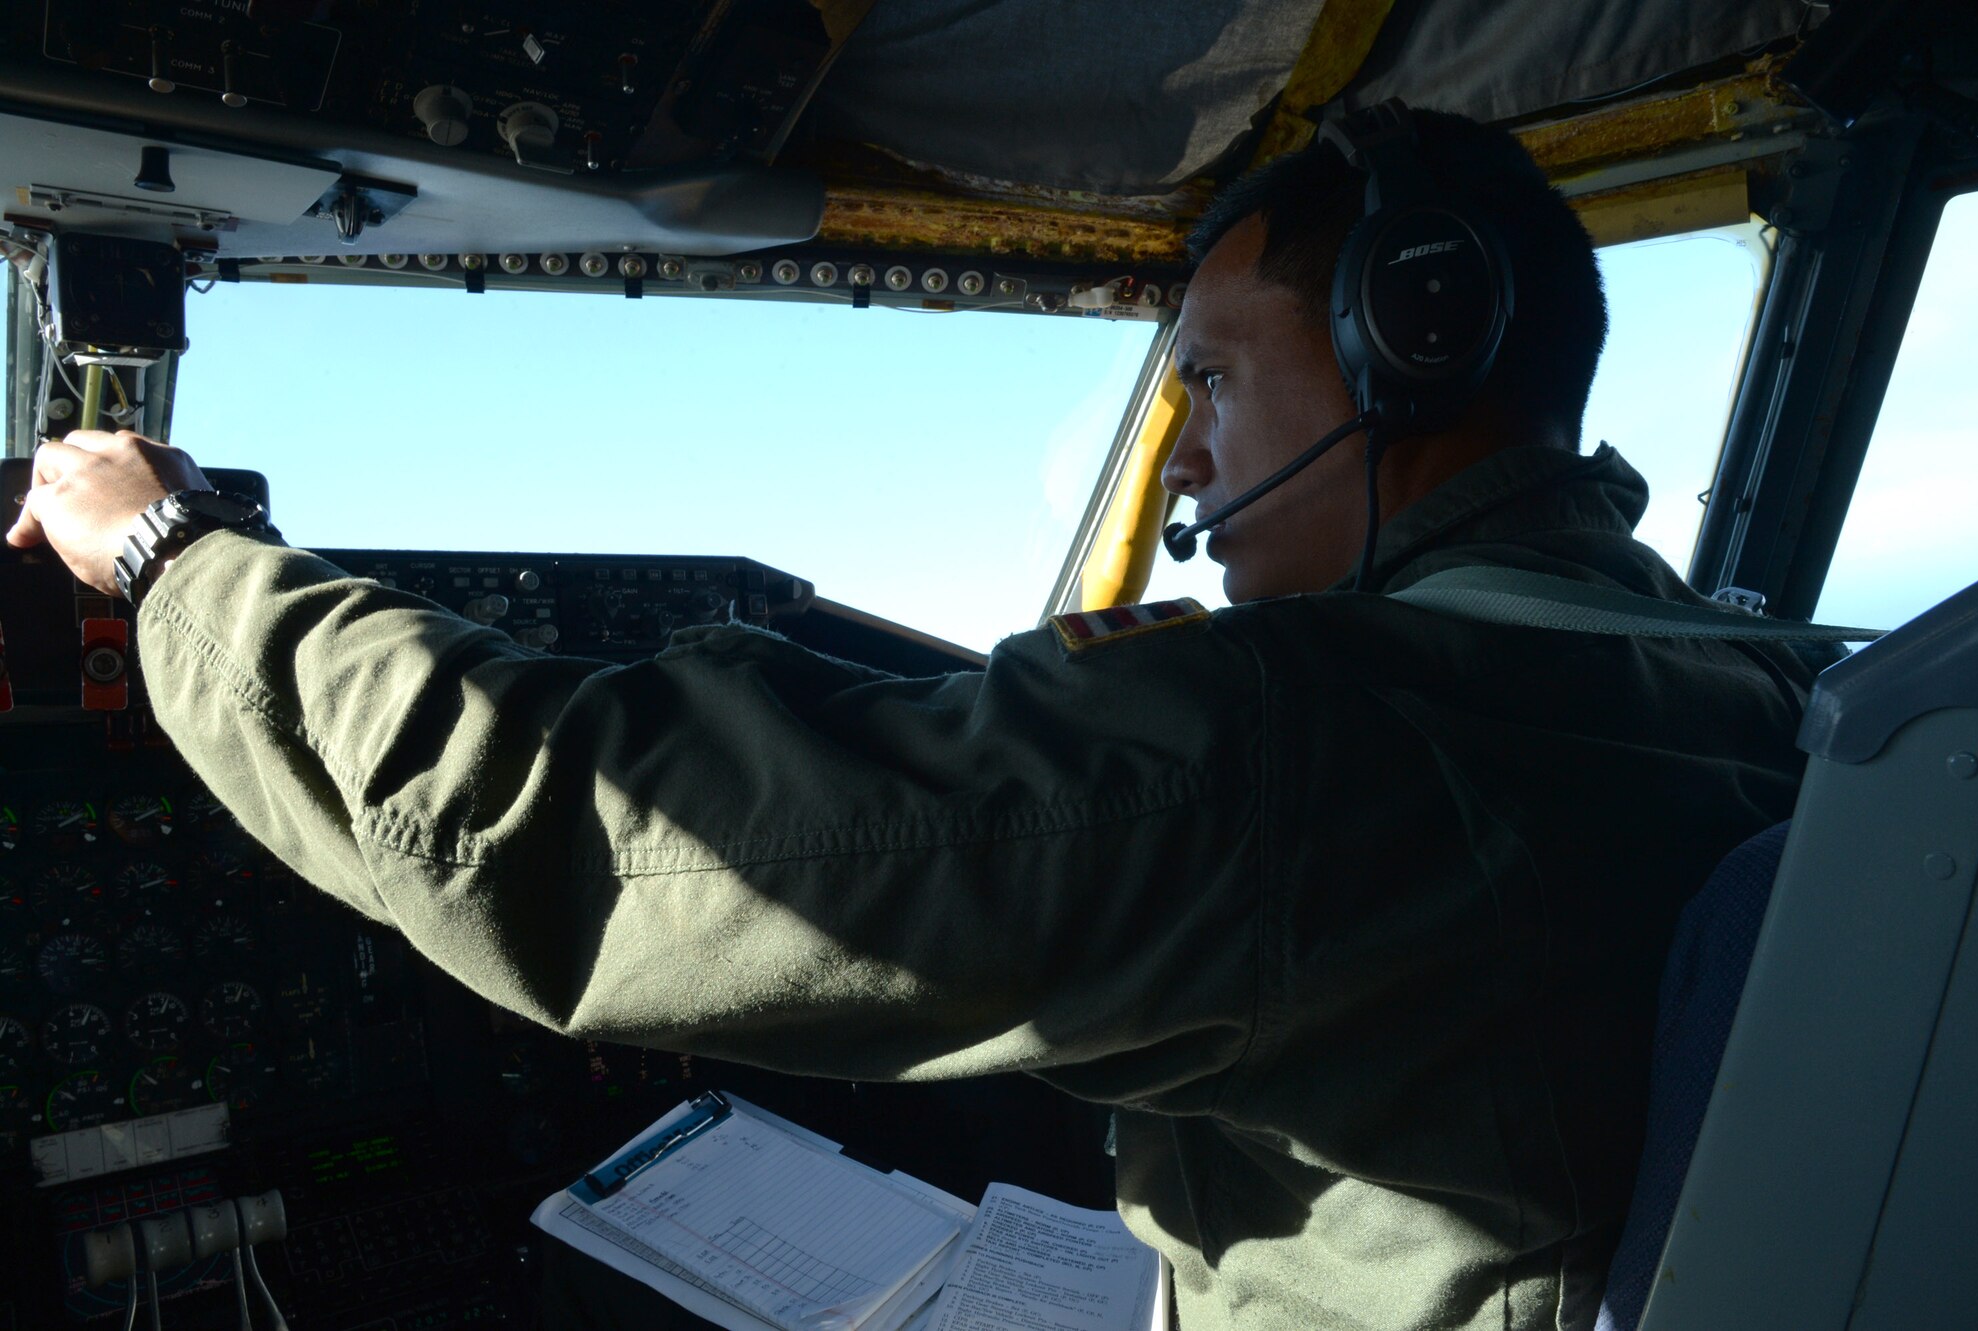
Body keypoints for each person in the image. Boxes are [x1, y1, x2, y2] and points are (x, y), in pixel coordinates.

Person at [7, 110, 1820, 1331]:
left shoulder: (1306, 734)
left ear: (1407, 346)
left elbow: (585, 834)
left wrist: (173, 556)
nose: (1188, 453)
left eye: (1209, 376)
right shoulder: (1776, 686)